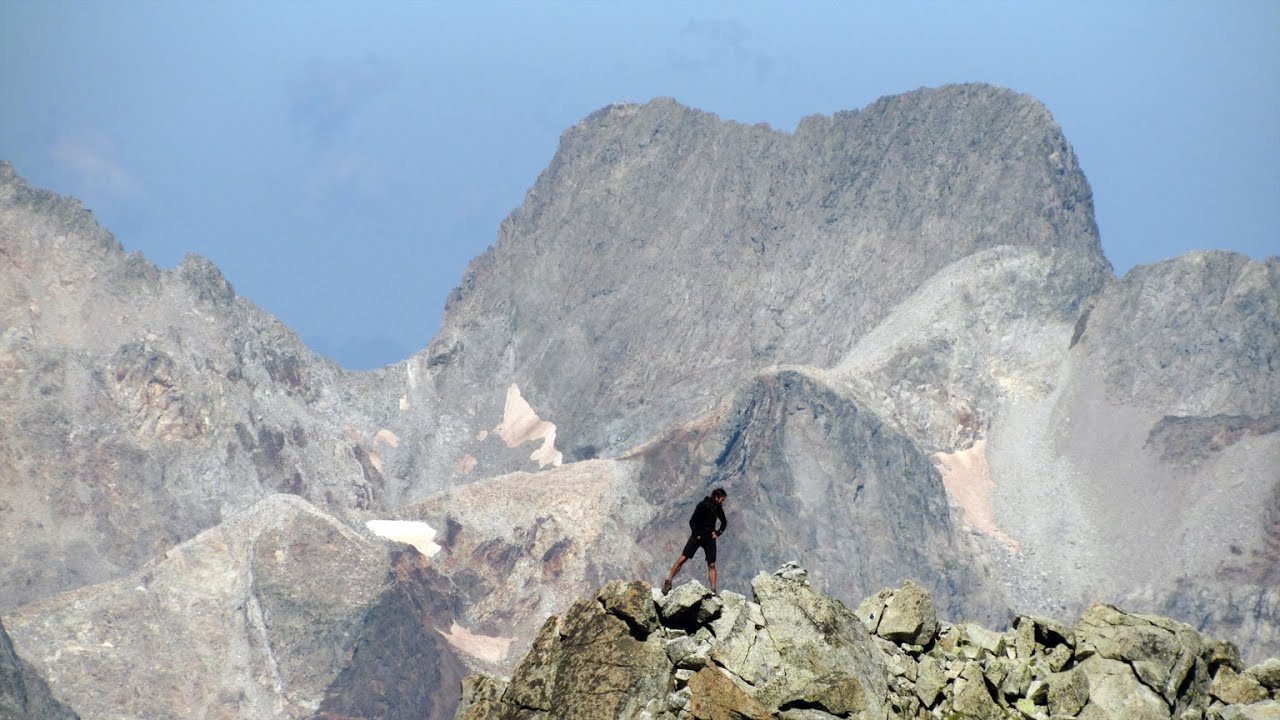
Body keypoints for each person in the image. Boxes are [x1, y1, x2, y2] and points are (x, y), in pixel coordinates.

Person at [662, 488, 728, 594]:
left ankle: (713, 591)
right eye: (722, 499)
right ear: (716, 497)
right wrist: (697, 535)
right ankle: (668, 582)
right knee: (683, 558)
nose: (722, 502)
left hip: (709, 538)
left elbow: (724, 522)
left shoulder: (718, 508)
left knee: (711, 564)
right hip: (697, 536)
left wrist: (718, 532)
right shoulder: (703, 505)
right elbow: (692, 521)